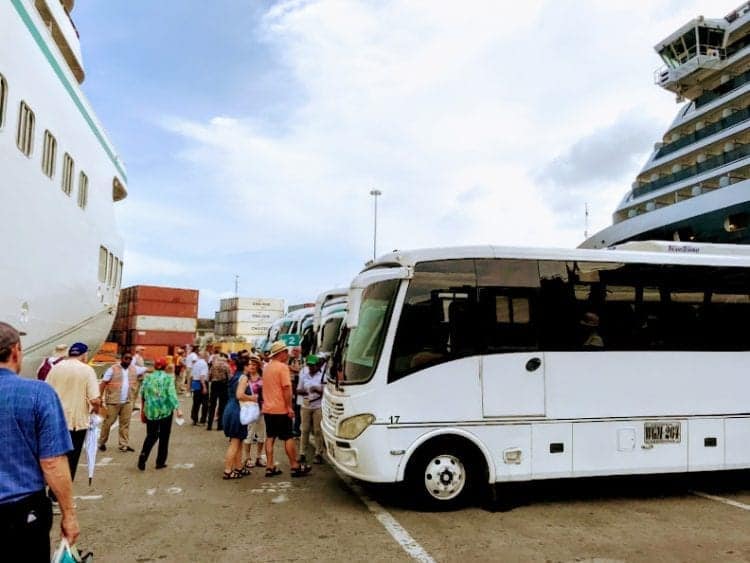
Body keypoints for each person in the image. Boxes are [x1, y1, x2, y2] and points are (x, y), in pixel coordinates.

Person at [0, 322, 79, 558]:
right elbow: (52, 462)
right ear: (16, 350)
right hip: (22, 513)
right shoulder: (39, 394)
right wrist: (69, 515)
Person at [45, 342, 102, 503]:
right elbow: (94, 399)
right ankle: (58, 498)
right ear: (84, 355)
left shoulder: (56, 369)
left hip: (55, 421)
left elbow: (46, 391)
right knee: (71, 461)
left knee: (54, 458)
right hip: (76, 423)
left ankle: (50, 493)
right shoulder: (87, 370)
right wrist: (96, 410)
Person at [262, 341, 311, 478]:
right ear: (281, 353)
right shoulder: (283, 368)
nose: (287, 355)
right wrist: (289, 407)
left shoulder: (267, 368)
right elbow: (287, 389)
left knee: (270, 437)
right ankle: (294, 465)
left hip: (268, 408)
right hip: (281, 408)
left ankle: (269, 466)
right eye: (286, 352)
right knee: (288, 436)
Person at [98, 352, 149, 452]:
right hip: (113, 401)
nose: (128, 361)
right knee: (108, 422)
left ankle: (123, 445)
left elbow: (146, 369)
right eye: (126, 358)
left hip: (127, 401)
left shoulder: (134, 369)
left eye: (130, 359)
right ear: (121, 359)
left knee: (125, 424)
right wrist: (99, 397)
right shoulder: (112, 369)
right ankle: (102, 442)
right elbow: (103, 383)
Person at [138, 358, 183, 471]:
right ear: (165, 366)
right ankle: (160, 462)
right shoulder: (168, 378)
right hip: (165, 411)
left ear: (154, 366)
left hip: (151, 411)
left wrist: (143, 410)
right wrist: (178, 409)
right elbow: (171, 394)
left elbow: (142, 394)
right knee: (164, 436)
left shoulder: (148, 378)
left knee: (151, 435)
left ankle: (143, 455)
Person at [220, 357, 258, 479]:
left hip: (230, 408)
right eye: (249, 364)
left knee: (238, 441)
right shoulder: (243, 377)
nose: (251, 367)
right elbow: (239, 395)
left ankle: (239, 467)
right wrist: (252, 398)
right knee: (235, 442)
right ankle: (228, 470)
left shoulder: (234, 376)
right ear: (245, 366)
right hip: (237, 410)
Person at [296, 354, 326, 465]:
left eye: (313, 366)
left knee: (318, 430)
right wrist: (307, 391)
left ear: (318, 366)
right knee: (304, 430)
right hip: (306, 405)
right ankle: (302, 453)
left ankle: (319, 453)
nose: (311, 368)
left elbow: (327, 391)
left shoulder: (322, 376)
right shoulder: (304, 375)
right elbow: (298, 390)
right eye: (309, 366)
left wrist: (317, 390)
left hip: (318, 405)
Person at [243, 354, 266, 468]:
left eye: (254, 364)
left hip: (262, 410)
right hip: (249, 409)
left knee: (262, 435)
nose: (251, 366)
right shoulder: (245, 379)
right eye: (250, 364)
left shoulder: (262, 378)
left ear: (258, 366)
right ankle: (247, 458)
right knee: (249, 434)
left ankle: (259, 456)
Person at [206, 352, 231, 431]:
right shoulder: (226, 366)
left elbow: (209, 376)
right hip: (223, 385)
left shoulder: (214, 365)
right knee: (222, 406)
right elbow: (229, 377)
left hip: (214, 385)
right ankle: (220, 425)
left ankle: (209, 425)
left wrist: (211, 380)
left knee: (212, 405)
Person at [190, 350, 209, 425]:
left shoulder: (196, 363)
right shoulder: (204, 364)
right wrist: (204, 387)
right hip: (202, 383)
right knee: (205, 403)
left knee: (196, 402)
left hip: (195, 382)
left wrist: (190, 386)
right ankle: (203, 419)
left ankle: (194, 418)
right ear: (205, 356)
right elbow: (202, 376)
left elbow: (191, 376)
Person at [289, 349, 303, 437]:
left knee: (298, 408)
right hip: (292, 386)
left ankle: (296, 429)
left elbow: (301, 371)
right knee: (291, 408)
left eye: (296, 351)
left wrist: (292, 368)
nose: (294, 352)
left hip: (300, 388)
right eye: (293, 351)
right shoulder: (290, 360)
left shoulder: (303, 360)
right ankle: (291, 428)